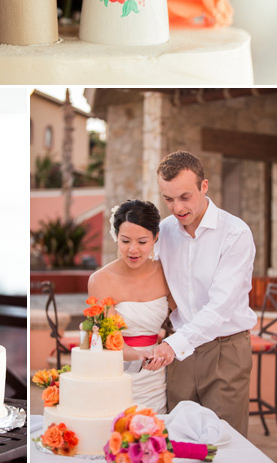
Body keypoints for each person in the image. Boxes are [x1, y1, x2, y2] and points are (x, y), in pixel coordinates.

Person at [149, 150, 256, 436]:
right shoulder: (164, 231)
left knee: (224, 442)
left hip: (226, 351)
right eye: (168, 199)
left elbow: (220, 307)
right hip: (180, 355)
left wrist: (173, 344)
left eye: (185, 197)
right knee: (178, 440)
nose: (177, 207)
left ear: (204, 187)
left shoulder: (235, 233)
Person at [88, 199, 174, 413]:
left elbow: (185, 318)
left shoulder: (167, 273)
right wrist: (139, 357)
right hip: (115, 373)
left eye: (142, 242)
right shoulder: (101, 280)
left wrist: (168, 347)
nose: (133, 250)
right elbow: (108, 336)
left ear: (155, 238)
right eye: (125, 241)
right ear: (116, 236)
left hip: (155, 376)